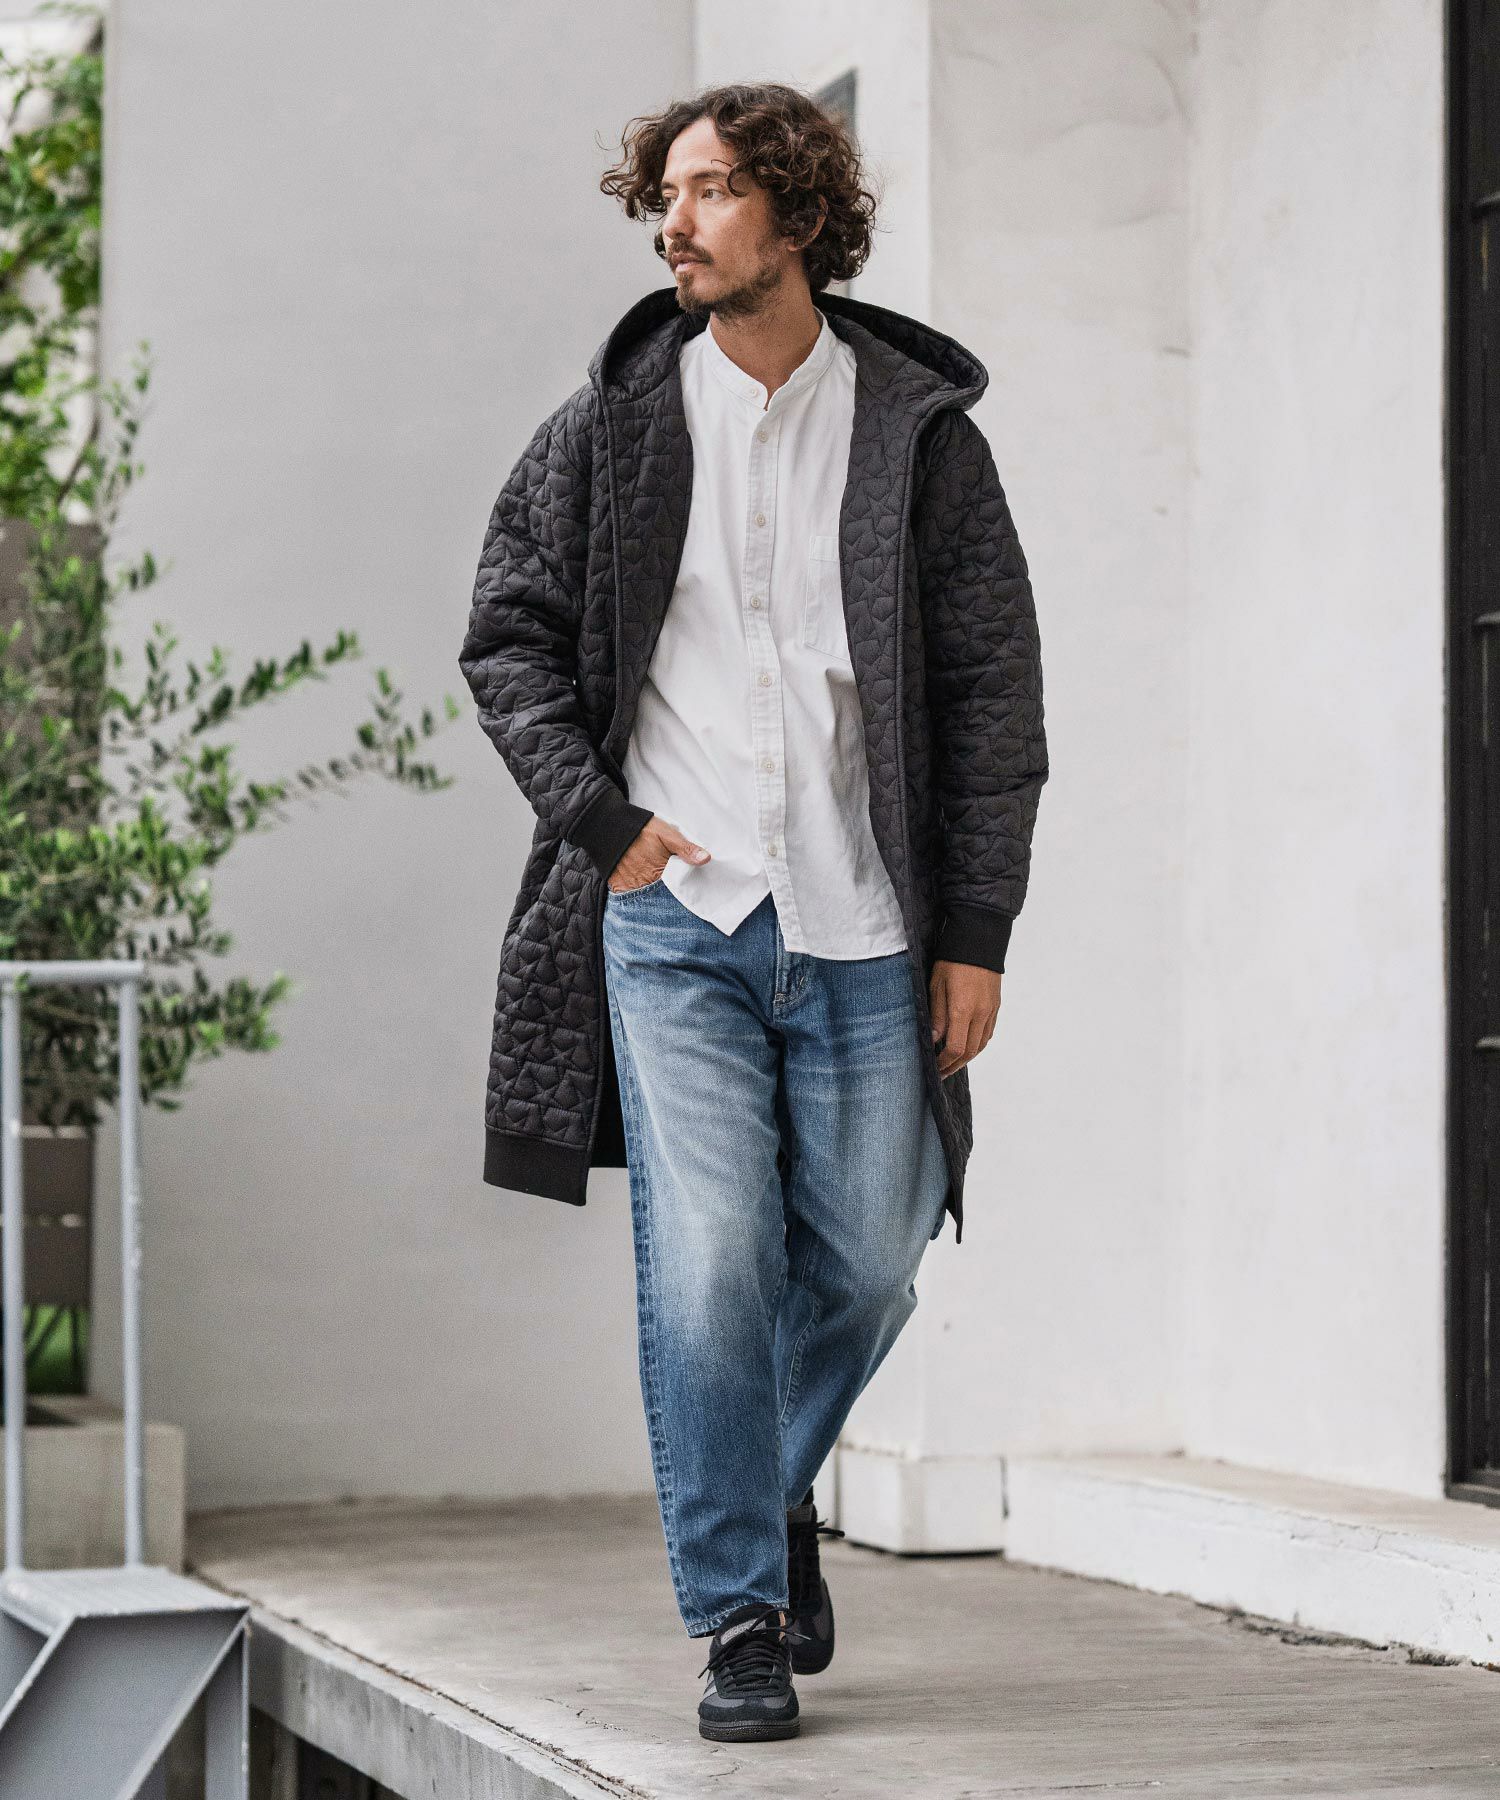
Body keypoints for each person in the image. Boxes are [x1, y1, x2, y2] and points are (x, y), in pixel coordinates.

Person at [458, 81, 1047, 1744]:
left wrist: (977, 930)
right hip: (679, 919)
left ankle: (770, 1487)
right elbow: (506, 634)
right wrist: (605, 823)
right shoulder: (612, 424)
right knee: (709, 1267)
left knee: (869, 1255)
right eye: (666, 193)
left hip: (867, 917)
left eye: (712, 189)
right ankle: (739, 1616)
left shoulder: (920, 436)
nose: (676, 221)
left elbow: (991, 696)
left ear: (798, 213)